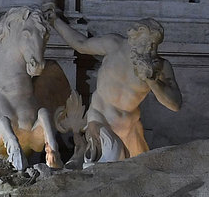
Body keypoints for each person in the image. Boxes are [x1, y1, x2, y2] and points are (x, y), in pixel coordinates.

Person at [50, 14, 182, 163]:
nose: (150, 49)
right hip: (100, 119)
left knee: (141, 170)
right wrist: (55, 21)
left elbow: (175, 104)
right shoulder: (113, 45)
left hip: (130, 126)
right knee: (112, 156)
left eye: (154, 45)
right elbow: (81, 44)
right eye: (145, 43)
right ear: (133, 38)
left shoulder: (160, 66)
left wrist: (151, 81)